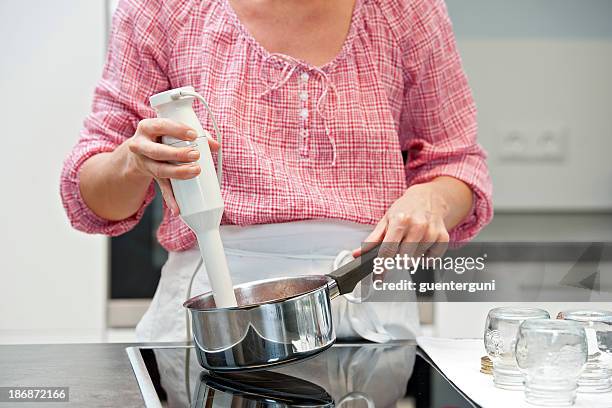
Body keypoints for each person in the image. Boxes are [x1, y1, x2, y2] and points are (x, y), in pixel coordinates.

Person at [61, 0, 493, 342]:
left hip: (368, 316)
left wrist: (431, 197)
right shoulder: (163, 9)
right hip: (214, 318)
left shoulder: (406, 9)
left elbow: (458, 164)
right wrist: (133, 161)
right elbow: (93, 199)